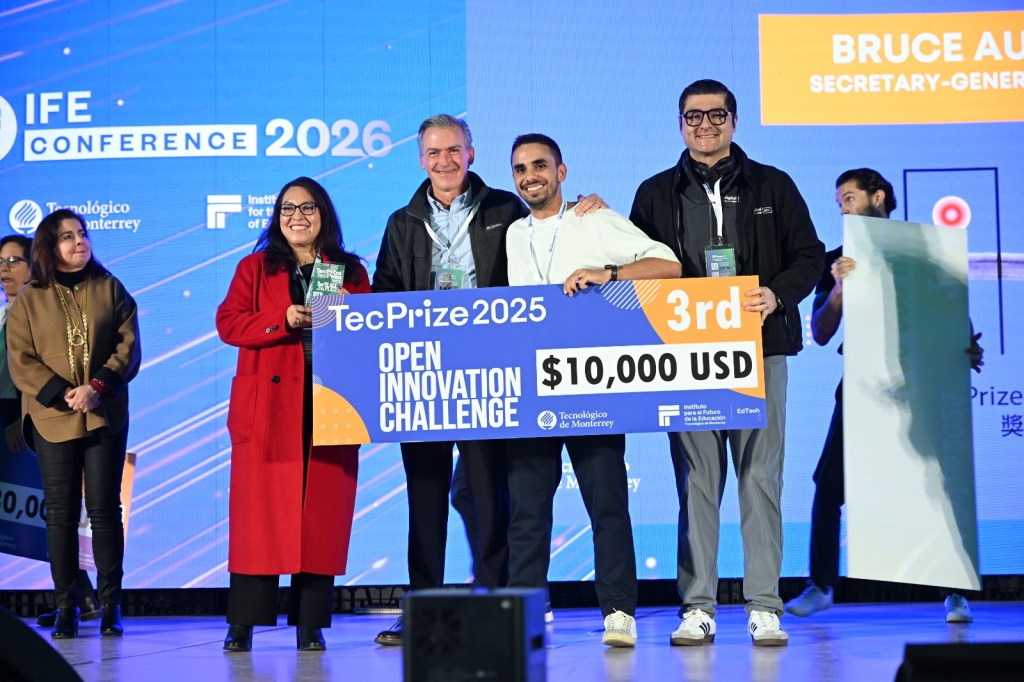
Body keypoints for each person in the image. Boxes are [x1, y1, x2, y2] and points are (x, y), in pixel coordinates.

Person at [371, 114, 604, 646]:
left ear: (470, 153)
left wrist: (583, 209)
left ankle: (498, 600)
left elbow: (548, 239)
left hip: (488, 375)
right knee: (425, 497)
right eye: (434, 153)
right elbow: (384, 292)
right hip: (423, 376)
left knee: (488, 495)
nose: (445, 161)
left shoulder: (503, 208)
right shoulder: (402, 222)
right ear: (421, 160)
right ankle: (422, 607)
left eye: (454, 150)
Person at [630, 79, 824, 647]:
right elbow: (636, 261)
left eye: (717, 115)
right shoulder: (655, 192)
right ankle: (698, 607)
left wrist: (778, 294)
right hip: (685, 356)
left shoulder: (772, 184)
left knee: (760, 477)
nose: (705, 125)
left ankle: (764, 605)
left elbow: (809, 254)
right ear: (680, 124)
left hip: (760, 350)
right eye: (694, 116)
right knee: (697, 481)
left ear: (734, 121)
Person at [783, 168, 983, 623]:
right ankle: (821, 585)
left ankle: (955, 592)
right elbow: (820, 330)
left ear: (878, 197)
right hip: (862, 383)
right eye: (839, 202)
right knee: (828, 485)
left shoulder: (924, 249)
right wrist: (839, 288)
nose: (843, 209)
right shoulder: (837, 259)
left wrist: (966, 345)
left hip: (924, 382)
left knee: (939, 484)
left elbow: (951, 307)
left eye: (850, 198)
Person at [505, 133, 681, 647]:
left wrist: (609, 274)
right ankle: (526, 614)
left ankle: (619, 612)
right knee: (527, 513)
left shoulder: (594, 219)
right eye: (520, 169)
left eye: (540, 165)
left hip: (592, 386)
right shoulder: (513, 233)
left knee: (607, 505)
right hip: (533, 388)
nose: (530, 176)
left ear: (561, 172)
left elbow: (668, 265)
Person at [216, 176, 369, 652]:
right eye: (287, 208)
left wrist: (355, 314)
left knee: (322, 516)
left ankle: (310, 624)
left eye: (307, 208)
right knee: (258, 519)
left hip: (331, 402)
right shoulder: (255, 267)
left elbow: (373, 330)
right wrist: (280, 319)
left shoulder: (349, 270)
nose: (296, 217)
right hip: (270, 406)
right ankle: (242, 623)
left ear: (324, 215)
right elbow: (228, 324)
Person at [7, 210, 141, 639]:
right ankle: (66, 605)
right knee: (60, 514)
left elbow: (128, 345)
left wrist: (97, 387)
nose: (79, 241)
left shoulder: (110, 287)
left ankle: (111, 604)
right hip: (52, 416)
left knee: (104, 510)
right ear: (50, 247)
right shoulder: (30, 298)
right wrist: (65, 393)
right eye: (67, 236)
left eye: (82, 234)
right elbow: (21, 359)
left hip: (103, 413)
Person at [0, 234, 104, 629]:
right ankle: (80, 599)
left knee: (52, 514)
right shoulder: (6, 312)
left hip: (32, 420)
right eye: (0, 262)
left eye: (14, 260)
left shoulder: (42, 308)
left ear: (35, 264)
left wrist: (21, 418)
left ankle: (80, 599)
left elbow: (29, 372)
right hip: (9, 418)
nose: (5, 269)